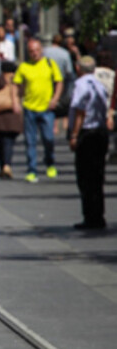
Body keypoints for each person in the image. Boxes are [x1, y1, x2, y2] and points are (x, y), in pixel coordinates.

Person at [67, 56, 109, 229]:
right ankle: (98, 215)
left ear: (78, 68)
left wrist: (74, 135)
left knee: (85, 177)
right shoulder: (99, 84)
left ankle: (90, 216)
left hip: (87, 133)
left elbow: (80, 111)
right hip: (100, 132)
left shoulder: (81, 84)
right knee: (97, 176)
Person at [14, 38, 63, 182]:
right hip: (29, 108)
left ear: (41, 50)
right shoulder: (24, 67)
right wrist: (16, 102)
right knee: (30, 141)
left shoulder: (49, 63)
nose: (34, 53)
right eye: (31, 51)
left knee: (48, 138)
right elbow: (16, 85)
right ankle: (32, 170)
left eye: (37, 50)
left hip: (47, 108)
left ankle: (50, 162)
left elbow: (59, 81)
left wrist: (55, 98)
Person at [0, 62, 23, 179]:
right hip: (13, 118)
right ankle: (7, 165)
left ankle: (3, 165)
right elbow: (23, 92)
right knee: (9, 143)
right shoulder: (17, 80)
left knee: (0, 143)